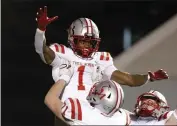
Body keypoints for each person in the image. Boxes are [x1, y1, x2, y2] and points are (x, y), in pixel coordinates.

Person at [35, 6, 168, 125]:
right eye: (82, 41)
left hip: (91, 114)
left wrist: (149, 76)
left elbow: (129, 80)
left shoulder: (101, 59)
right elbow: (42, 50)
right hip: (67, 108)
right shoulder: (63, 53)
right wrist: (41, 31)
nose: (86, 46)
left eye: (90, 42)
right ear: (72, 39)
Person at [44, 61, 131, 125]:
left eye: (96, 91)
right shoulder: (121, 118)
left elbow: (50, 99)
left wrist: (64, 77)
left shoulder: (83, 113)